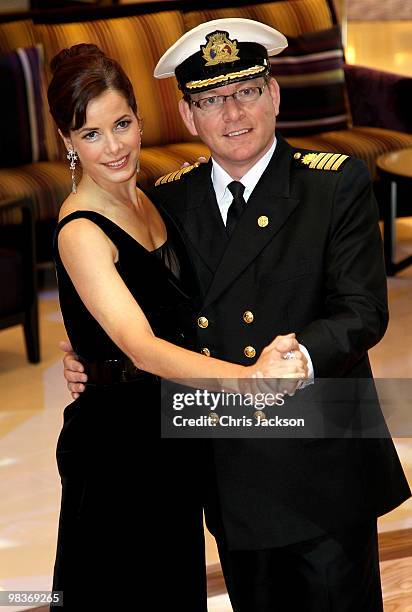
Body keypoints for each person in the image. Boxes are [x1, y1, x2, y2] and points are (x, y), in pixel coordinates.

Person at [62, 20, 411, 612]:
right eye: (211, 100)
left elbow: (362, 311)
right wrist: (97, 360)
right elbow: (146, 310)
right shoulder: (166, 201)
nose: (232, 114)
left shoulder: (335, 184)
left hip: (323, 462)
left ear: (274, 95)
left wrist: (294, 360)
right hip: (231, 468)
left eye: (246, 91)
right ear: (189, 116)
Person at [47, 42, 307, 610]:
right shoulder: (81, 231)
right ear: (67, 142)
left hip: (171, 434)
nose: (114, 146)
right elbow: (142, 346)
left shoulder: (153, 200)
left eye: (121, 123)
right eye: (90, 134)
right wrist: (250, 380)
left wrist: (87, 355)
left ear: (141, 119)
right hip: (119, 452)